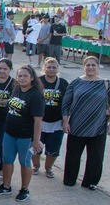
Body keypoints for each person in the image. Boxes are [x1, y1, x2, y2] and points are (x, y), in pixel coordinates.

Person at [0, 66, 44, 202]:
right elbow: (12, 102)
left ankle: (24, 189)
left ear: (32, 78)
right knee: (7, 160)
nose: (21, 78)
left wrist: (36, 140)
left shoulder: (36, 95)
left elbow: (38, 121)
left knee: (24, 162)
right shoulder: (17, 89)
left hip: (25, 136)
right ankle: (6, 186)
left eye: (25, 76)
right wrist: (1, 101)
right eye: (19, 76)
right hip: (9, 132)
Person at [62, 56, 110, 190]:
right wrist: (65, 121)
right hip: (77, 125)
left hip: (98, 126)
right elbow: (66, 104)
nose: (90, 67)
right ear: (84, 66)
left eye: (93, 65)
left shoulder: (106, 84)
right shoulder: (76, 83)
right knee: (73, 155)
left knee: (96, 157)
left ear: (98, 67)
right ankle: (70, 179)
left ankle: (91, 181)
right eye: (87, 65)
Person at [32, 58, 68, 178]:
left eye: (54, 67)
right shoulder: (38, 82)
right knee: (35, 146)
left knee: (53, 148)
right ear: (44, 68)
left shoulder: (63, 83)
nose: (51, 70)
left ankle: (48, 168)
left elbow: (67, 103)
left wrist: (65, 120)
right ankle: (36, 166)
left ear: (57, 69)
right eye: (49, 67)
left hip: (56, 123)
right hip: (39, 122)